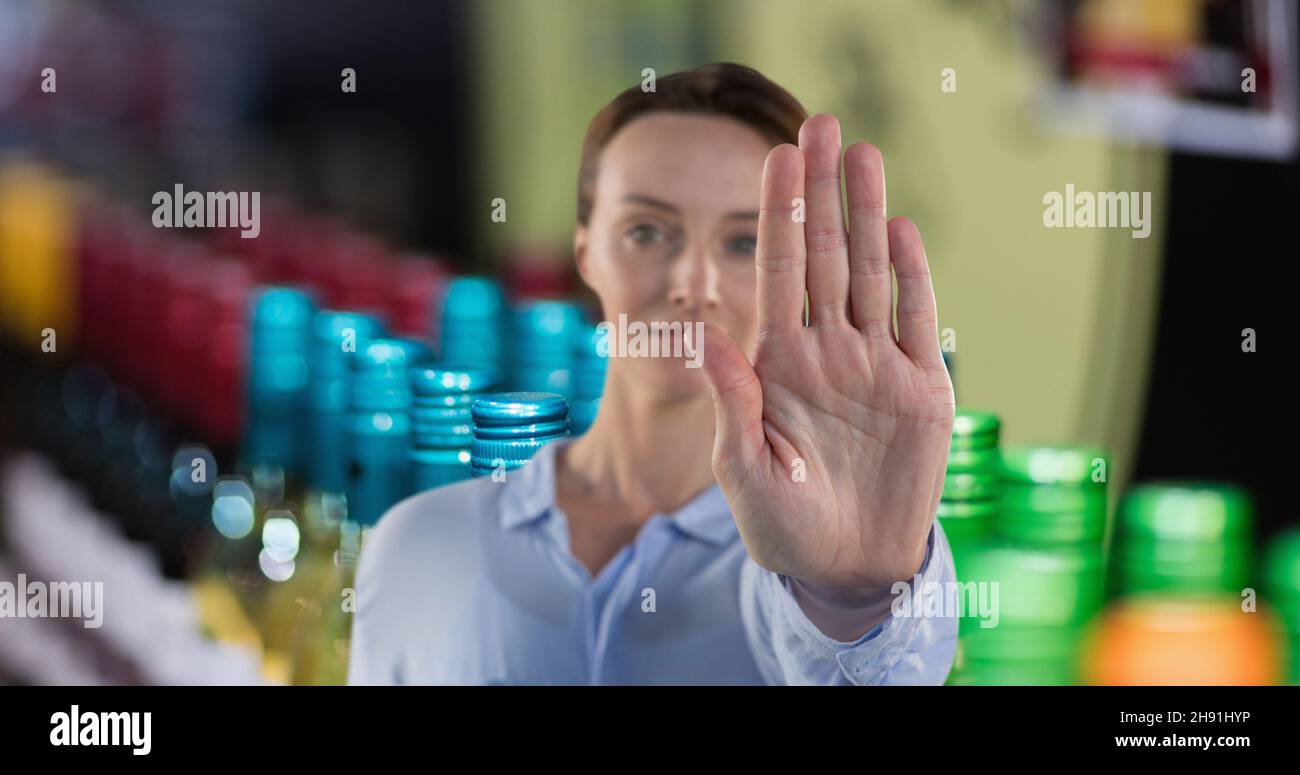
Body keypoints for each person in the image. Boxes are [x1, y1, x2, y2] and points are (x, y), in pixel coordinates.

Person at [348, 63, 958, 685]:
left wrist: (852, 594)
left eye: (744, 242)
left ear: (796, 268)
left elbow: (846, 661)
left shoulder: (799, 564)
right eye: (647, 231)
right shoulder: (417, 544)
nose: (691, 284)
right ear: (585, 250)